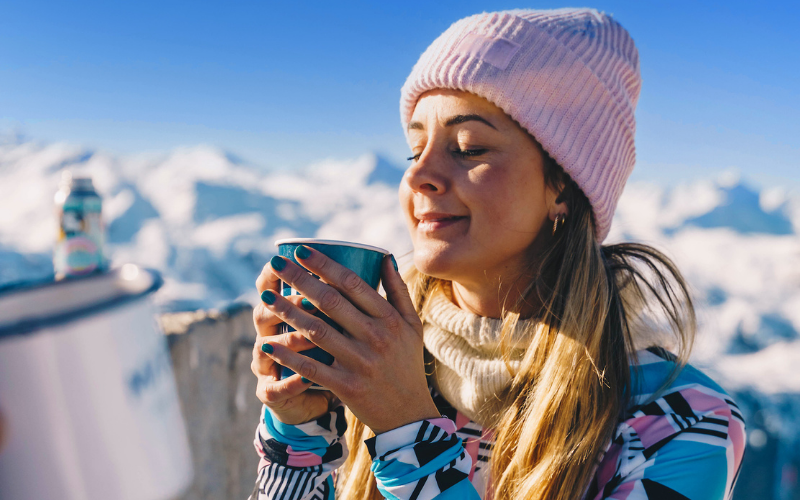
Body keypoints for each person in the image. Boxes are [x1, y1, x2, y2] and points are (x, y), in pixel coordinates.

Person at [249, 8, 746, 500]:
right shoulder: (371, 362)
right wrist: (298, 433)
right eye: (415, 148)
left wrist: (406, 432)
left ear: (563, 187)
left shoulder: (681, 423)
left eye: (468, 147)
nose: (418, 175)